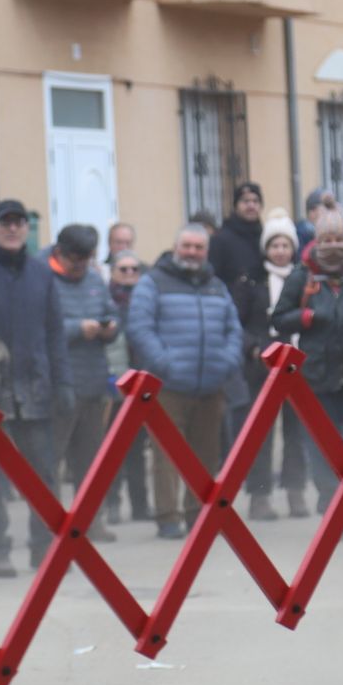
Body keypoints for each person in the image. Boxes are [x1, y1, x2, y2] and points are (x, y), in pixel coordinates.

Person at [271, 210, 343, 537]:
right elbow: (279, 318)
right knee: (323, 450)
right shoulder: (301, 276)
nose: (333, 245)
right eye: (326, 239)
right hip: (318, 379)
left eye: (339, 239)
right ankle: (332, 516)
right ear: (317, 241)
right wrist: (308, 317)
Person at [0, 199, 71, 574]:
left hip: (35, 388)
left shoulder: (41, 273)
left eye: (18, 223)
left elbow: (55, 332)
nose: (12, 228)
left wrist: (63, 381)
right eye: (5, 222)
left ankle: (46, 549)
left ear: (26, 229)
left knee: (43, 475)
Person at [127, 224, 242, 539]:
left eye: (198, 247)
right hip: (168, 387)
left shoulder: (217, 286)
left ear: (206, 251)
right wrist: (165, 364)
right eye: (187, 246)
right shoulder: (153, 282)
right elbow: (139, 327)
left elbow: (233, 329)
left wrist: (226, 363)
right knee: (166, 454)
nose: (192, 252)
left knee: (206, 455)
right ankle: (168, 517)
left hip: (211, 386)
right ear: (175, 247)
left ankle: (198, 515)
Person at [45, 224, 120, 543]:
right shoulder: (44, 280)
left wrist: (110, 327)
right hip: (60, 386)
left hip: (94, 383)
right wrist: (78, 329)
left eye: (87, 259)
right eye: (76, 259)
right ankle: (50, 525)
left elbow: (111, 312)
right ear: (60, 253)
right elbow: (42, 329)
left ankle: (92, 521)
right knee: (53, 460)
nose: (81, 266)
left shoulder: (94, 279)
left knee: (90, 462)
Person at [209, 182, 276, 521]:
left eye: (255, 200)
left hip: (267, 345)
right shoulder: (222, 240)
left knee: (263, 428)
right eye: (245, 200)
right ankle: (226, 497)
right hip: (236, 344)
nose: (250, 205)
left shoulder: (266, 238)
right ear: (235, 205)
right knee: (238, 426)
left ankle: (260, 496)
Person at [261, 212, 308, 518]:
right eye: (274, 245)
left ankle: (296, 492)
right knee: (261, 433)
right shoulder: (253, 282)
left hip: (297, 365)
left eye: (285, 245)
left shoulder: (304, 280)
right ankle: (260, 495)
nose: (280, 251)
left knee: (296, 433)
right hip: (263, 367)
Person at [104, 250, 150, 525]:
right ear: (112, 272)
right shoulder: (105, 300)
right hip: (114, 385)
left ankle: (141, 505)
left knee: (137, 450)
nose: (130, 274)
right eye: (123, 269)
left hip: (142, 383)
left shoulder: (147, 300)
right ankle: (112, 504)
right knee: (112, 451)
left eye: (134, 269)